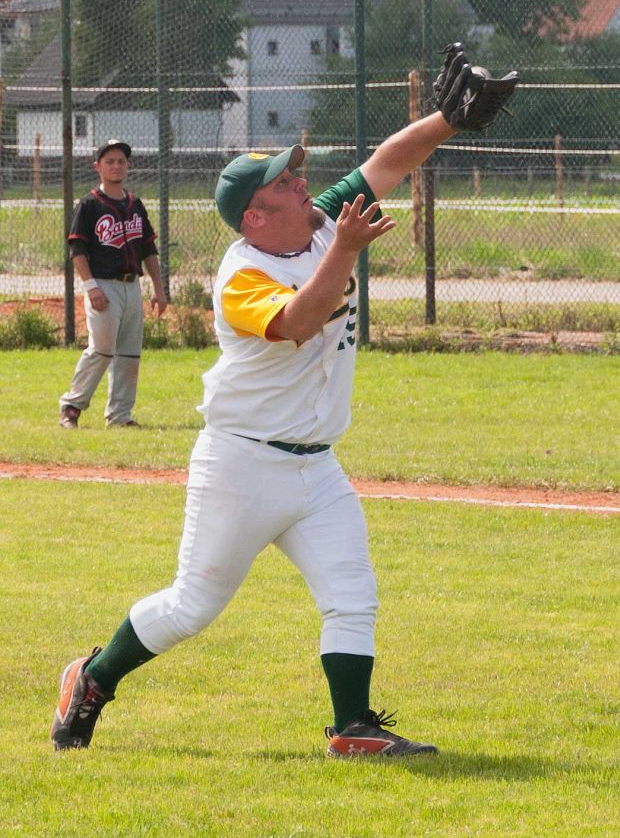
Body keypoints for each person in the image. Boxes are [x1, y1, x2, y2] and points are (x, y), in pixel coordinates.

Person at [50, 46, 517, 756]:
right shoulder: (242, 274)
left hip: (315, 466)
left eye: (296, 174)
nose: (302, 183)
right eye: (284, 182)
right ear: (254, 218)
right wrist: (346, 251)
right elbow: (298, 321)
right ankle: (91, 678)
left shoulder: (322, 222)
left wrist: (447, 121)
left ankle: (352, 728)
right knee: (191, 607)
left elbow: (387, 163)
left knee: (352, 592)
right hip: (242, 465)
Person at [59, 140, 167, 429]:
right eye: (110, 161)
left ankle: (120, 416)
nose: (116, 166)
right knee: (102, 349)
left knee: (129, 353)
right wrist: (90, 287)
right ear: (98, 167)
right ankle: (71, 406)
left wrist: (159, 290)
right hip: (103, 286)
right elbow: (77, 250)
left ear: (128, 165)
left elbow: (149, 250)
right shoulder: (89, 205)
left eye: (121, 161)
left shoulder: (135, 205)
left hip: (132, 286)